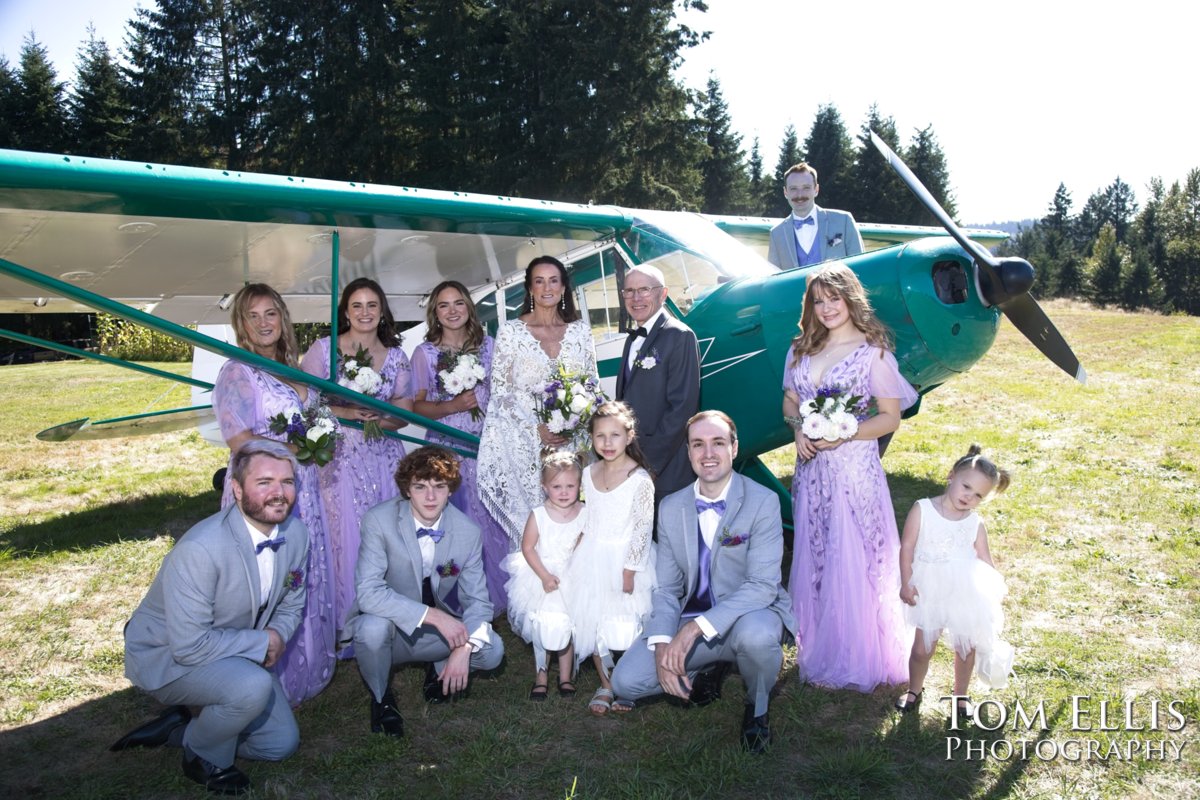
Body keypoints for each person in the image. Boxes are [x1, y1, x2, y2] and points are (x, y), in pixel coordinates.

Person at [112, 441, 308, 795]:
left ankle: (181, 728)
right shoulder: (201, 549)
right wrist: (264, 641)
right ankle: (201, 755)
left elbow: (293, 602)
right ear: (236, 489)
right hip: (168, 654)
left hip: (232, 649)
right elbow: (188, 646)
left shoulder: (296, 534)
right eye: (264, 482)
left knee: (280, 745)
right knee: (252, 686)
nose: (279, 493)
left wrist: (278, 632)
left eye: (288, 482)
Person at [610, 411, 794, 753]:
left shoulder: (763, 501)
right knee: (627, 682)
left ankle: (757, 710)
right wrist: (664, 641)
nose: (708, 453)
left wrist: (693, 631)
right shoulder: (671, 507)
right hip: (690, 614)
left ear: (734, 448)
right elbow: (668, 589)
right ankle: (709, 664)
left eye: (718, 443)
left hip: (748, 615)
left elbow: (763, 585)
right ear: (689, 451)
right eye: (698, 444)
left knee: (757, 639)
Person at [782, 263, 918, 691]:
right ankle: (822, 641)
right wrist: (799, 428)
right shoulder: (801, 348)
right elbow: (789, 401)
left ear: (851, 298)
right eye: (817, 301)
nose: (825, 308)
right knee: (817, 553)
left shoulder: (872, 352)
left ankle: (860, 650)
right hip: (811, 470)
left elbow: (890, 417)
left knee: (855, 553)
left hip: (853, 468)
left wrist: (845, 432)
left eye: (833, 299)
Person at [212, 283, 335, 705]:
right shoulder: (238, 370)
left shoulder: (292, 366)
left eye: (271, 314)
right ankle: (253, 675)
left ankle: (304, 662)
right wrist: (295, 449)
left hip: (305, 490)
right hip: (265, 491)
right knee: (265, 578)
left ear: (283, 318)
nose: (264, 323)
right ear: (241, 324)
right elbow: (239, 438)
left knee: (299, 571)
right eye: (253, 316)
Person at [342, 446, 504, 738]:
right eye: (420, 487)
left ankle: (439, 668)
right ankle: (381, 699)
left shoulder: (467, 532)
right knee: (370, 629)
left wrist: (463, 648)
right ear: (406, 489)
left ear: (450, 490)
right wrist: (434, 616)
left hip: (437, 635)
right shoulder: (379, 520)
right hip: (391, 628)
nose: (430, 497)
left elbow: (478, 601)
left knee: (492, 650)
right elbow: (368, 592)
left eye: (439, 487)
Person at [300, 277, 413, 651]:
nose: (365, 313)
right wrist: (347, 410)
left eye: (372, 305)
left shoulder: (397, 356)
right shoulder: (324, 350)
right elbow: (303, 401)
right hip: (342, 457)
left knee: (387, 534)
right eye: (357, 306)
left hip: (383, 457)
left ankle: (390, 617)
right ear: (345, 311)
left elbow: (405, 411)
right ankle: (345, 620)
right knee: (345, 533)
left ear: (382, 311)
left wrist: (382, 419)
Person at [478, 255, 599, 545]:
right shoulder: (510, 332)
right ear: (530, 289)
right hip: (528, 448)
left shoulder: (581, 331)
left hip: (574, 447)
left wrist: (572, 423)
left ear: (563, 287)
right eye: (539, 281)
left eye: (554, 280)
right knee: (537, 535)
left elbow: (592, 386)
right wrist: (537, 428)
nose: (547, 287)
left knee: (578, 533)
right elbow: (502, 394)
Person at [411, 280, 509, 613]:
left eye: (458, 303)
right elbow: (417, 406)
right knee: (457, 521)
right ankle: (457, 598)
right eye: (443, 305)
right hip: (446, 447)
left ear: (468, 307)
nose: (452, 311)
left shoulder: (489, 346)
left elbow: (503, 396)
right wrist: (452, 406)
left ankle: (500, 594)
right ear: (435, 313)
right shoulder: (425, 354)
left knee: (492, 517)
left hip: (485, 442)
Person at [896, 445, 1013, 717]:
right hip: (929, 587)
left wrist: (989, 590)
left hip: (963, 591)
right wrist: (906, 582)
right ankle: (915, 688)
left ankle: (961, 695)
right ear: (951, 476)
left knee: (966, 646)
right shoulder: (923, 509)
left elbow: (984, 558)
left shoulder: (975, 523)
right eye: (966, 487)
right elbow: (907, 547)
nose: (969, 497)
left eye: (978, 496)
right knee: (923, 647)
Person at [565, 401, 656, 715]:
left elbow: (643, 528)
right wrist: (575, 550)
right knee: (593, 621)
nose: (607, 443)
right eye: (600, 436)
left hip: (625, 560)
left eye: (614, 435)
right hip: (592, 556)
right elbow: (589, 516)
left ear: (629, 436)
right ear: (591, 437)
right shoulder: (589, 473)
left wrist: (630, 569)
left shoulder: (639, 478)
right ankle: (605, 683)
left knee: (628, 623)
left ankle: (629, 682)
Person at [502, 451, 586, 701]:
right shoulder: (538, 514)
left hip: (573, 577)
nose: (563, 492)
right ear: (544, 487)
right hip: (543, 576)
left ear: (579, 486)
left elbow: (585, 544)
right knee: (544, 625)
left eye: (570, 486)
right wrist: (544, 576)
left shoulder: (584, 512)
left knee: (568, 626)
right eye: (556, 486)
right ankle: (541, 675)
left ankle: (565, 676)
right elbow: (527, 547)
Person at [614, 264, 701, 502]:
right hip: (630, 465)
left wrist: (647, 464)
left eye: (644, 289)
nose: (636, 298)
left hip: (665, 470)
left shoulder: (680, 336)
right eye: (629, 291)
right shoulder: (632, 339)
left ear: (662, 294)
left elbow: (682, 408)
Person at [766, 163, 864, 269]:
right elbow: (774, 279)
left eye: (806, 188)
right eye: (793, 188)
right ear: (785, 192)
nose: (799, 195)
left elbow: (861, 268)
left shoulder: (844, 221)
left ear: (816, 189)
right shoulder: (776, 234)